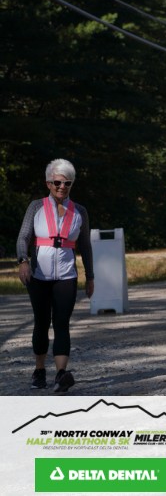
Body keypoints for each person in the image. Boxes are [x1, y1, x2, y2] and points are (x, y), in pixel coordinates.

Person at [16, 158, 94, 393]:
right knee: (41, 322)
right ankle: (39, 370)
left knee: (61, 323)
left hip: (66, 276)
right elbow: (23, 237)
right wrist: (23, 261)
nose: (62, 187)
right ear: (48, 183)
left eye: (67, 183)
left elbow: (85, 246)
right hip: (39, 276)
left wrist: (90, 276)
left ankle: (61, 374)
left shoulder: (80, 211)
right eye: (58, 182)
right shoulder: (35, 207)